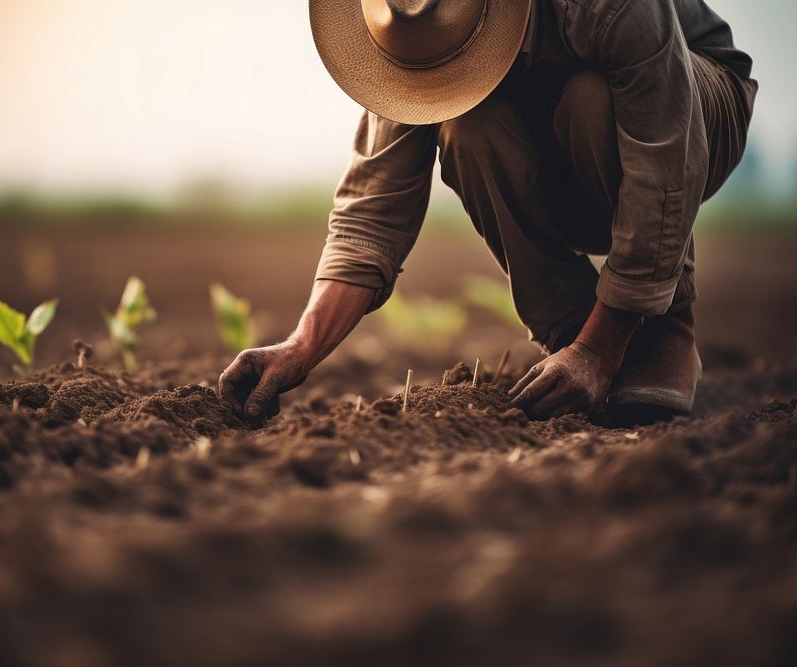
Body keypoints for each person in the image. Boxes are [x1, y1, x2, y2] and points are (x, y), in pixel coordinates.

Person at [219, 0, 757, 422]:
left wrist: (601, 349)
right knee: (467, 126)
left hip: (692, 102)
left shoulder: (607, 6)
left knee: (590, 100)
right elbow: (370, 212)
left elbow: (664, 159)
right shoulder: (411, 36)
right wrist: (300, 346)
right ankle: (571, 327)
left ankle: (663, 328)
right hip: (561, 131)